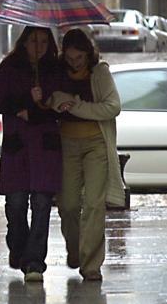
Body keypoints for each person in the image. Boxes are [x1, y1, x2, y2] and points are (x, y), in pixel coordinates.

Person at [46, 28, 124, 281]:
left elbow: (112, 107)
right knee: (68, 205)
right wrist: (56, 100)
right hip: (67, 144)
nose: (74, 63)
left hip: (95, 145)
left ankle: (91, 265)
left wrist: (76, 106)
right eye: (69, 58)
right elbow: (50, 102)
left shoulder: (99, 72)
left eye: (79, 58)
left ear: (88, 54)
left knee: (93, 204)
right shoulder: (57, 73)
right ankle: (75, 249)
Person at [0, 26, 63, 282]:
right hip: (18, 147)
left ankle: (34, 262)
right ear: (24, 42)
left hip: (44, 148)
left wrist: (35, 109)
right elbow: (0, 103)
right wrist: (26, 100)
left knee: (42, 204)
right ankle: (18, 248)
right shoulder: (9, 68)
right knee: (16, 204)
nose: (40, 46)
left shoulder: (54, 69)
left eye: (44, 41)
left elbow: (59, 107)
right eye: (34, 41)